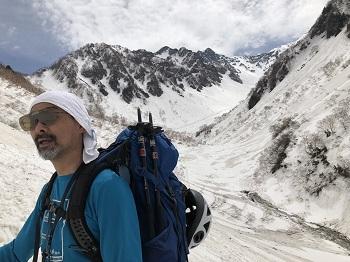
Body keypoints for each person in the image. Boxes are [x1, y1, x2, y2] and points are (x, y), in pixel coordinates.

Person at [0, 91, 142, 262]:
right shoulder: (49, 191)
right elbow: (15, 254)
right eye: (31, 122)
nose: (39, 128)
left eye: (49, 116)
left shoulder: (107, 187)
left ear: (80, 124)